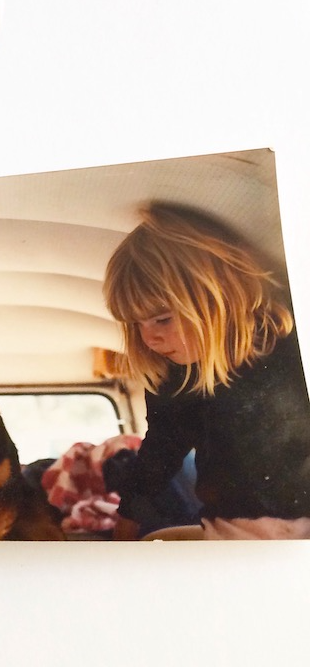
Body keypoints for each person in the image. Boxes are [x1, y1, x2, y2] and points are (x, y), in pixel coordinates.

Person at [102, 203, 310, 540]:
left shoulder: (288, 348)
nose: (148, 337)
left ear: (214, 299)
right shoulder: (179, 375)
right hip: (229, 530)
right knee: (152, 544)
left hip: (298, 529)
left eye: (162, 319)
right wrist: (128, 517)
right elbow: (161, 448)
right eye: (136, 324)